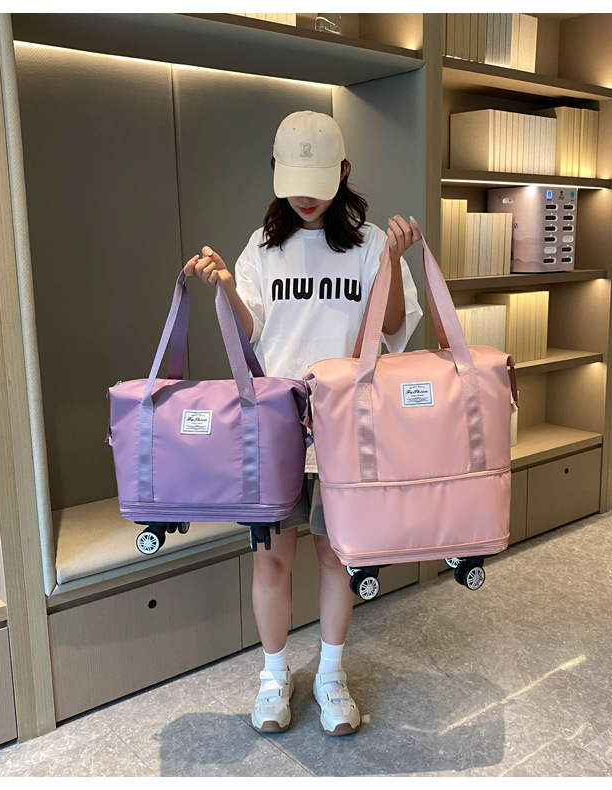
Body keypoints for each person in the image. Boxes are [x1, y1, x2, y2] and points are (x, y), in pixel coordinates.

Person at [183, 110, 423, 736]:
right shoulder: (262, 248)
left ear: (344, 171)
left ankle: (330, 675)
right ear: (276, 173)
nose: (307, 197)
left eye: (319, 181)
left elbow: (392, 328)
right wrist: (225, 286)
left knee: (338, 557)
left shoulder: (371, 244)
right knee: (272, 562)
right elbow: (249, 334)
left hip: (345, 428)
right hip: (277, 430)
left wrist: (393, 262)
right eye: (294, 182)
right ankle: (273, 677)